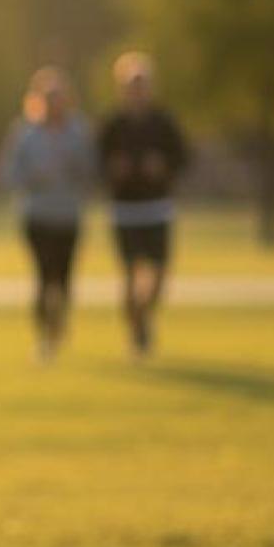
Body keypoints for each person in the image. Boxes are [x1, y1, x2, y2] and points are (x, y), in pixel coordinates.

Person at [0, 66, 97, 363]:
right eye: (49, 97)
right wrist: (33, 178)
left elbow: (91, 171)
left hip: (68, 215)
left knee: (63, 279)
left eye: (59, 97)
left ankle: (59, 322)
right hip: (37, 216)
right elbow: (10, 173)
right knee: (43, 277)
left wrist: (73, 171)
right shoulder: (26, 133)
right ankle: (43, 334)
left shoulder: (79, 131)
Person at [98, 53, 189, 359]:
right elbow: (96, 163)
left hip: (157, 207)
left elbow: (183, 158)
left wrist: (163, 167)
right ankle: (136, 332)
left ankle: (143, 318)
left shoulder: (164, 123)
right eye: (131, 85)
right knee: (131, 273)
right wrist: (113, 170)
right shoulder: (113, 125)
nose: (137, 90)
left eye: (142, 84)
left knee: (159, 274)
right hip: (125, 210)